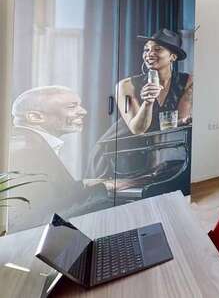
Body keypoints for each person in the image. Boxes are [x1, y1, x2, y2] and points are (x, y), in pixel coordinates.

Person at [9, 86, 109, 232]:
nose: (83, 111)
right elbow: (37, 217)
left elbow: (46, 193)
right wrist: (101, 190)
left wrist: (82, 185)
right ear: (35, 117)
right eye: (71, 107)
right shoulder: (26, 150)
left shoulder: (28, 141)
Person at [117, 28, 193, 135]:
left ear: (173, 57)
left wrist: (184, 121)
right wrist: (148, 102)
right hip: (123, 143)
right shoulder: (126, 85)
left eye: (157, 49)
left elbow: (177, 124)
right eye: (146, 50)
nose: (149, 54)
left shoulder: (187, 82)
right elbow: (138, 130)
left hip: (163, 143)